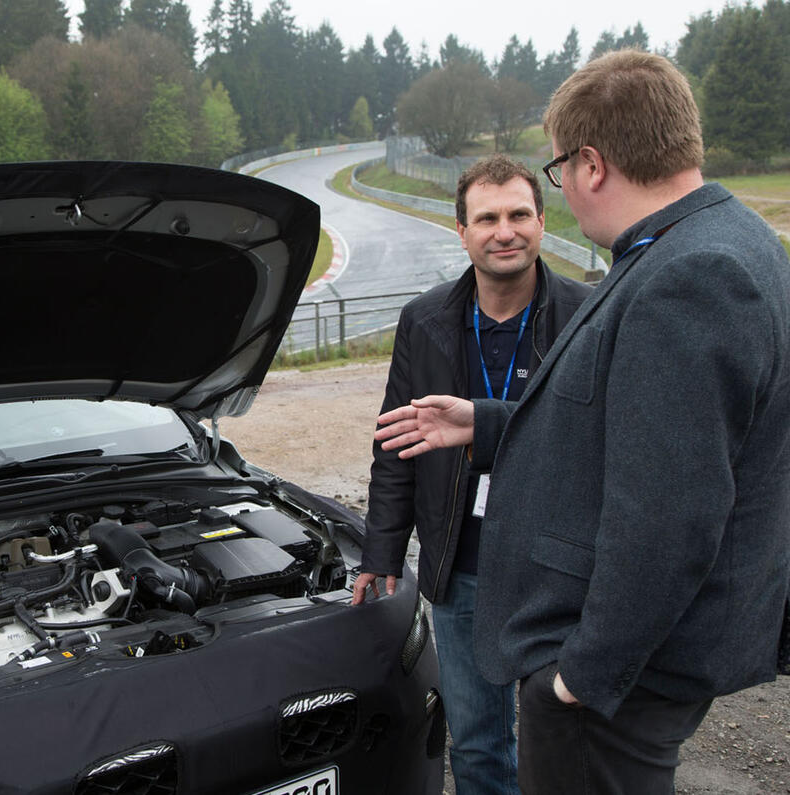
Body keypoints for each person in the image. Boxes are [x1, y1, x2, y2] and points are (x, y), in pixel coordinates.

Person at [375, 50, 790, 793]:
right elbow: (623, 425)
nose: (560, 187)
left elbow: (671, 511)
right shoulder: (728, 238)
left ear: (591, 164)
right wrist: (489, 424)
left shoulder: (688, 276)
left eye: (558, 170)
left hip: (622, 676)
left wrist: (579, 675)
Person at [351, 154, 591, 794]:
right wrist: (383, 548)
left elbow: (600, 440)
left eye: (519, 215)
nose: (504, 232)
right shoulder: (424, 320)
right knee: (480, 747)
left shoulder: (589, 314)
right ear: (461, 232)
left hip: (557, 572)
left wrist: (484, 423)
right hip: (462, 567)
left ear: (542, 222)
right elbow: (395, 444)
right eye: (487, 219)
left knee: (566, 743)